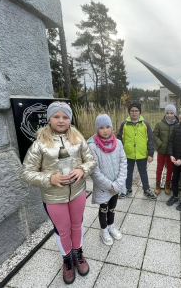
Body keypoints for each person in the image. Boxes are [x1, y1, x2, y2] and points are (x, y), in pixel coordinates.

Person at [22, 102, 96, 285]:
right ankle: (67, 260)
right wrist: (49, 179)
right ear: (49, 118)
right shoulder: (40, 144)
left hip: (77, 193)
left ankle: (78, 254)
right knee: (63, 230)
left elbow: (91, 161)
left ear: (70, 118)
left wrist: (82, 171)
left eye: (65, 117)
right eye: (56, 116)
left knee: (77, 225)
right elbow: (27, 172)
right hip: (54, 198)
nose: (61, 120)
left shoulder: (78, 139)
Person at [88, 114, 127, 245]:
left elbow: (123, 163)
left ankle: (111, 226)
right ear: (97, 129)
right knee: (103, 209)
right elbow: (94, 170)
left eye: (108, 127)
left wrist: (119, 183)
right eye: (102, 127)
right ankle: (103, 230)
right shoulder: (93, 146)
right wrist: (109, 185)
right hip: (103, 187)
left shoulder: (118, 143)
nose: (105, 130)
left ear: (112, 127)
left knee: (112, 207)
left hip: (116, 184)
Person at [117, 102, 156, 200]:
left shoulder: (145, 124)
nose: (134, 113)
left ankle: (146, 189)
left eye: (136, 111)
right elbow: (119, 139)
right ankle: (127, 189)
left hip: (142, 154)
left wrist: (150, 153)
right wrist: (119, 153)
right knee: (128, 172)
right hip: (128, 154)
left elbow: (150, 139)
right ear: (129, 112)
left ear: (140, 112)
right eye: (132, 111)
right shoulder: (124, 125)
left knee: (143, 172)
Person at [153, 104, 179, 195]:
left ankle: (167, 184)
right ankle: (157, 184)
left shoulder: (178, 125)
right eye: (167, 113)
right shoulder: (160, 124)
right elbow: (154, 135)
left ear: (174, 114)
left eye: (171, 113)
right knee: (159, 168)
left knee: (170, 169)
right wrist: (160, 144)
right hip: (161, 151)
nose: (169, 115)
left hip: (171, 153)